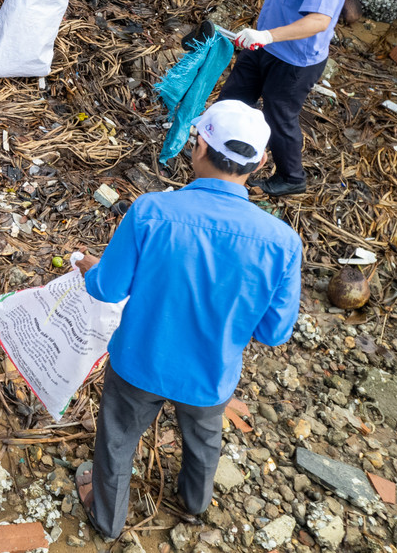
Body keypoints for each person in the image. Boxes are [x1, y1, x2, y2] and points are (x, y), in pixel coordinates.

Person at [73, 99, 301, 539]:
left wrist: (92, 269)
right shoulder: (282, 243)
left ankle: (108, 520)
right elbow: (274, 332)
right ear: (261, 164)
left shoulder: (151, 211)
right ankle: (194, 503)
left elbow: (106, 289)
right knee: (204, 439)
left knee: (118, 439)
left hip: (139, 361)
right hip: (210, 374)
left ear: (198, 148)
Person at [218, 0, 352, 196]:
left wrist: (266, 35)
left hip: (294, 58)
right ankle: (219, 149)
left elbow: (319, 21)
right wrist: (262, 36)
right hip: (263, 43)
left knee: (279, 118)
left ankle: (292, 177)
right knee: (233, 98)